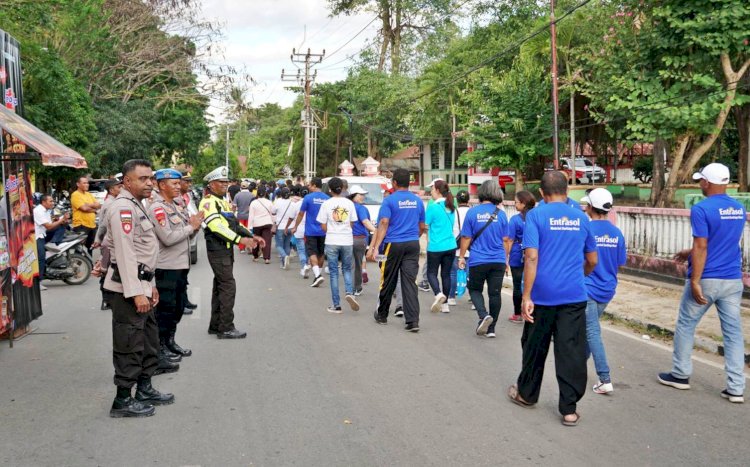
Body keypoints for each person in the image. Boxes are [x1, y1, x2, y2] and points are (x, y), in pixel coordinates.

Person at [508, 171, 597, 427]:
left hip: (542, 295)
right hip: (573, 295)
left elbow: (531, 257)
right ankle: (569, 410)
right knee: (570, 350)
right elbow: (592, 260)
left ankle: (526, 394)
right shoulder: (582, 218)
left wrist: (526, 295)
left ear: (542, 194)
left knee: (534, 346)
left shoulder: (536, 216)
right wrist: (578, 275)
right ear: (567, 191)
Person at [658, 163, 746, 403]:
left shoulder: (701, 209)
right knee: (733, 333)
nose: (700, 184)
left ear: (707, 182)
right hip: (732, 279)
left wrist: (695, 279)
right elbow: (722, 241)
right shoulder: (738, 209)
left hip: (707, 278)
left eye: (701, 181)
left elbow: (703, 245)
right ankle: (736, 388)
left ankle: (680, 374)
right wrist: (689, 252)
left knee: (686, 324)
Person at [104, 159, 173, 418]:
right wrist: (135, 292)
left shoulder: (137, 206)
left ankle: (144, 388)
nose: (149, 183)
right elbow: (124, 253)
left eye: (150, 178)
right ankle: (122, 400)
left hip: (142, 284)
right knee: (129, 344)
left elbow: (145, 253)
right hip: (127, 289)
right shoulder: (123, 208)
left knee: (148, 342)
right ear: (127, 181)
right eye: (142, 179)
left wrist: (150, 286)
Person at [199, 166, 263, 339]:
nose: (225, 184)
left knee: (220, 286)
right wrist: (240, 240)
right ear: (211, 184)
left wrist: (252, 236)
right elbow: (216, 227)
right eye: (221, 182)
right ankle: (226, 327)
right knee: (228, 287)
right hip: (218, 250)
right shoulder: (208, 202)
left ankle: (216, 325)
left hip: (225, 250)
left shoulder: (223, 201)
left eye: (226, 181)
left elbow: (234, 223)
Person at [148, 169, 203, 365]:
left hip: (181, 265)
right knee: (165, 310)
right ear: (162, 185)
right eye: (174, 184)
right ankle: (160, 347)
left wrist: (194, 227)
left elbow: (187, 235)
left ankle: (170, 341)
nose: (179, 187)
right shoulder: (158, 208)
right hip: (166, 267)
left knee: (178, 307)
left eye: (179, 184)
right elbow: (168, 238)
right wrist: (191, 227)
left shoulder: (176, 206)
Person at [579, 188, 626, 395]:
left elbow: (582, 260)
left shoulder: (587, 229)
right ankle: (579, 367)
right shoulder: (617, 233)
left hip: (588, 288)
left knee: (591, 331)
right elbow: (620, 263)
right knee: (591, 330)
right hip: (608, 289)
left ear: (590, 207)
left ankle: (604, 378)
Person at [368, 168, 425, 332]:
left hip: (393, 244)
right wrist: (414, 236)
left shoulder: (389, 201)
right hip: (413, 244)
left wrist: (377, 246)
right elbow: (422, 226)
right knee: (410, 282)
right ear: (409, 183)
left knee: (388, 279)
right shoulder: (418, 201)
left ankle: (382, 314)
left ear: (394, 183)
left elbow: (384, 223)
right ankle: (412, 321)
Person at [458, 180, 509, 337]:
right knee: (495, 294)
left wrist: (461, 256)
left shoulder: (473, 212)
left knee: (474, 289)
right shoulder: (501, 214)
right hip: (498, 260)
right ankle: (491, 329)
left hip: (478, 259)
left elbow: (466, 237)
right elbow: (506, 239)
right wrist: (505, 260)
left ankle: (483, 315)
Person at [316, 177, 359, 313]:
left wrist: (333, 230)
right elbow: (352, 223)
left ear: (330, 189)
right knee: (346, 269)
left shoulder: (326, 204)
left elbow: (322, 225)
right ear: (342, 188)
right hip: (347, 240)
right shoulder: (349, 203)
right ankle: (349, 293)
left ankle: (336, 305)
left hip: (332, 240)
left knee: (334, 272)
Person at [425, 180, 457, 313]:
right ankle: (445, 305)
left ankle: (438, 294)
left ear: (437, 190)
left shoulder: (433, 207)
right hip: (451, 245)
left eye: (432, 189)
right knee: (446, 274)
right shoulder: (451, 205)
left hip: (436, 246)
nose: (431, 192)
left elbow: (425, 225)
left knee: (431, 273)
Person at [504, 191, 536, 324]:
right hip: (534, 254)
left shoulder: (515, 220)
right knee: (533, 284)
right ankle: (532, 312)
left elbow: (509, 240)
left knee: (517, 285)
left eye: (516, 202)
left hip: (518, 255)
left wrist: (505, 258)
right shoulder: (537, 217)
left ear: (523, 203)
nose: (515, 204)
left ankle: (518, 314)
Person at [292, 177, 329, 287]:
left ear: (314, 185)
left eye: (309, 185)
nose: (308, 187)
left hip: (311, 231)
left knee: (312, 253)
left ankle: (317, 276)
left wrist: (295, 226)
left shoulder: (308, 198)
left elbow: (301, 214)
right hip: (324, 231)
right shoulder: (327, 198)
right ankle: (318, 274)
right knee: (321, 253)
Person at [93, 178, 123, 309]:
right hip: (109, 242)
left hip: (110, 241)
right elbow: (103, 225)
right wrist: (98, 240)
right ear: (112, 190)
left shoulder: (113, 202)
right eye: (118, 187)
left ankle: (109, 299)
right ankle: (106, 300)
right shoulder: (110, 204)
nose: (120, 188)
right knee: (106, 270)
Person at [33, 194, 70, 287]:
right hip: (37, 236)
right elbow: (49, 226)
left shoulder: (47, 210)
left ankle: (53, 243)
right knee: (41, 258)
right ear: (44, 202)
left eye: (53, 201)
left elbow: (51, 225)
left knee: (62, 226)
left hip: (44, 233)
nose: (52, 203)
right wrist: (61, 220)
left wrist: (62, 220)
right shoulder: (38, 211)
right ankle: (39, 282)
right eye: (50, 201)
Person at [349, 185, 377, 296]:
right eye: (360, 194)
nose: (363, 197)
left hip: (346, 239)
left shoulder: (346, 207)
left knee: (349, 264)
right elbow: (365, 222)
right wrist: (376, 231)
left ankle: (349, 287)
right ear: (353, 196)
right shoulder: (361, 208)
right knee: (357, 264)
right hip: (359, 239)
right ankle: (356, 287)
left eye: (363, 195)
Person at [178, 172, 199, 314]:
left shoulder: (187, 196)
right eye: (187, 182)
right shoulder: (175, 198)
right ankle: (180, 304)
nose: (189, 184)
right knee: (177, 278)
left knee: (183, 276)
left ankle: (184, 300)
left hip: (187, 234)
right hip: (180, 237)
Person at [448, 190, 471, 306]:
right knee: (470, 274)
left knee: (453, 273)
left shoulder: (454, 212)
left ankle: (451, 297)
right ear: (468, 200)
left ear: (457, 200)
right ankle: (473, 297)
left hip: (456, 246)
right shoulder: (473, 212)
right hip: (471, 247)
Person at [70, 175, 101, 254]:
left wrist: (88, 205)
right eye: (84, 183)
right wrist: (93, 208)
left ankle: (89, 265)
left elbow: (98, 205)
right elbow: (84, 208)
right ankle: (79, 265)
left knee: (91, 247)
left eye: (87, 183)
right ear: (78, 184)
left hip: (92, 225)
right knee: (80, 249)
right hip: (81, 225)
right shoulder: (75, 195)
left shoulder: (88, 194)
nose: (87, 185)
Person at [286, 185, 310, 278]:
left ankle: (304, 266)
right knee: (308, 250)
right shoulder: (311, 203)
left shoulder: (296, 205)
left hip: (299, 230)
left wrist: (287, 227)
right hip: (310, 230)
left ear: (300, 193)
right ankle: (307, 264)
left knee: (301, 250)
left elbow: (291, 217)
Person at [247, 185, 276, 264]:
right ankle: (266, 258)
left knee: (256, 240)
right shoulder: (269, 202)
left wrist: (249, 227)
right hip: (267, 222)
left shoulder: (253, 203)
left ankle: (255, 256)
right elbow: (273, 214)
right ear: (265, 193)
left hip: (257, 223)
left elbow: (251, 216)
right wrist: (274, 223)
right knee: (267, 240)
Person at [273, 187, 294, 269]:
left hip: (280, 226)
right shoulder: (292, 203)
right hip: (290, 226)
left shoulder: (277, 202)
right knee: (287, 245)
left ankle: (284, 256)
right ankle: (284, 263)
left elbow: (273, 211)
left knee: (279, 245)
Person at [233, 180, 255, 254]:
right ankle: (250, 246)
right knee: (249, 232)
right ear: (248, 187)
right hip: (250, 216)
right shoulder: (252, 195)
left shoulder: (237, 195)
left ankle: (242, 248)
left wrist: (233, 213)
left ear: (240, 187)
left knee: (241, 232)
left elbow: (234, 206)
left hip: (240, 216)